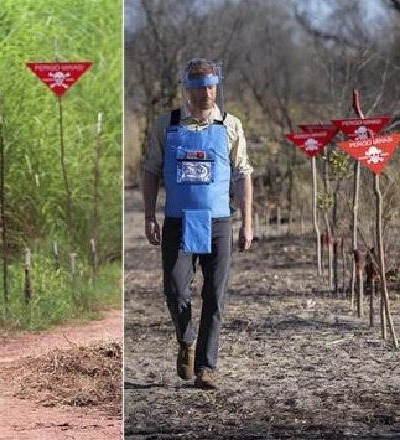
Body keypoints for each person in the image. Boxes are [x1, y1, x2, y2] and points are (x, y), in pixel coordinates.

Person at [141, 58, 253, 389]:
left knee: (215, 296)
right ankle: (186, 338)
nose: (205, 91)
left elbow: (243, 173)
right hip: (178, 219)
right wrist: (149, 215)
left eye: (210, 84)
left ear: (217, 86)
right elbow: (150, 170)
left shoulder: (230, 125)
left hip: (219, 220)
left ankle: (206, 366)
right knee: (175, 289)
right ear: (186, 88)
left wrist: (248, 222)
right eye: (198, 85)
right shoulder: (168, 124)